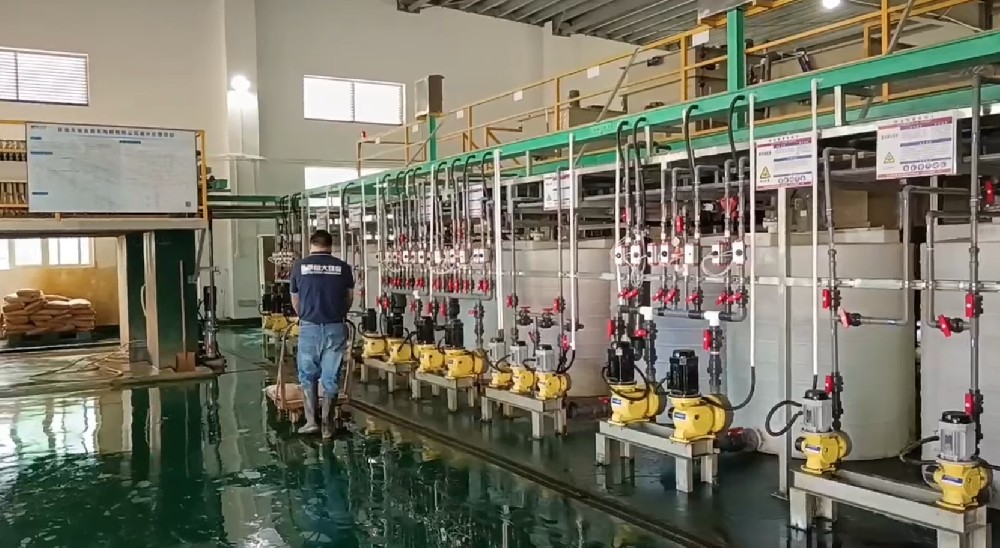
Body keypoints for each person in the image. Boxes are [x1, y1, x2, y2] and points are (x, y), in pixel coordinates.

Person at [289, 230, 354, 438]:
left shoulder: (299, 267)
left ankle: (311, 422)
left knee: (307, 374)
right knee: (330, 377)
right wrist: (338, 314)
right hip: (336, 327)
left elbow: (295, 299)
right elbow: (349, 298)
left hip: (309, 327)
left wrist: (304, 316)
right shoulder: (343, 268)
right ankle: (327, 426)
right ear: (330, 246)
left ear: (311, 245)